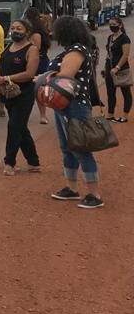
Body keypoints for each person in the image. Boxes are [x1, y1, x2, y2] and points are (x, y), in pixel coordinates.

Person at [46, 16, 103, 208]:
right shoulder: (71, 50)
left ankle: (94, 194)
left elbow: (66, 75)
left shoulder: (77, 51)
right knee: (67, 148)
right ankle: (71, 188)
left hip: (74, 105)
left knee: (80, 148)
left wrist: (44, 77)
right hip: (64, 104)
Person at [0, 19, 41, 175]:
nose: (15, 31)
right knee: (20, 127)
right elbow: (0, 64)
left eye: (19, 28)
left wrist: (6, 79)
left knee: (14, 126)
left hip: (24, 94)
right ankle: (33, 162)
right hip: (9, 94)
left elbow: (29, 74)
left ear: (27, 31)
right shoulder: (9, 46)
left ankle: (9, 162)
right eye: (13, 28)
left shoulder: (31, 49)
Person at [23, 6, 52, 124]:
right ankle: (42, 115)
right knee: (38, 88)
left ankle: (43, 115)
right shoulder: (40, 30)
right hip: (41, 61)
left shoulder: (35, 33)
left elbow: (36, 49)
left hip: (37, 62)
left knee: (37, 88)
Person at [104, 18, 131, 123]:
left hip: (122, 69)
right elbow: (108, 53)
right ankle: (110, 114)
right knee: (110, 92)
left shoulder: (125, 39)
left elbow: (125, 55)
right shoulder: (110, 38)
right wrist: (105, 68)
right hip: (109, 69)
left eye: (114, 24)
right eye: (110, 24)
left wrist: (117, 67)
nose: (111, 26)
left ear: (120, 25)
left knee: (126, 92)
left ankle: (124, 115)